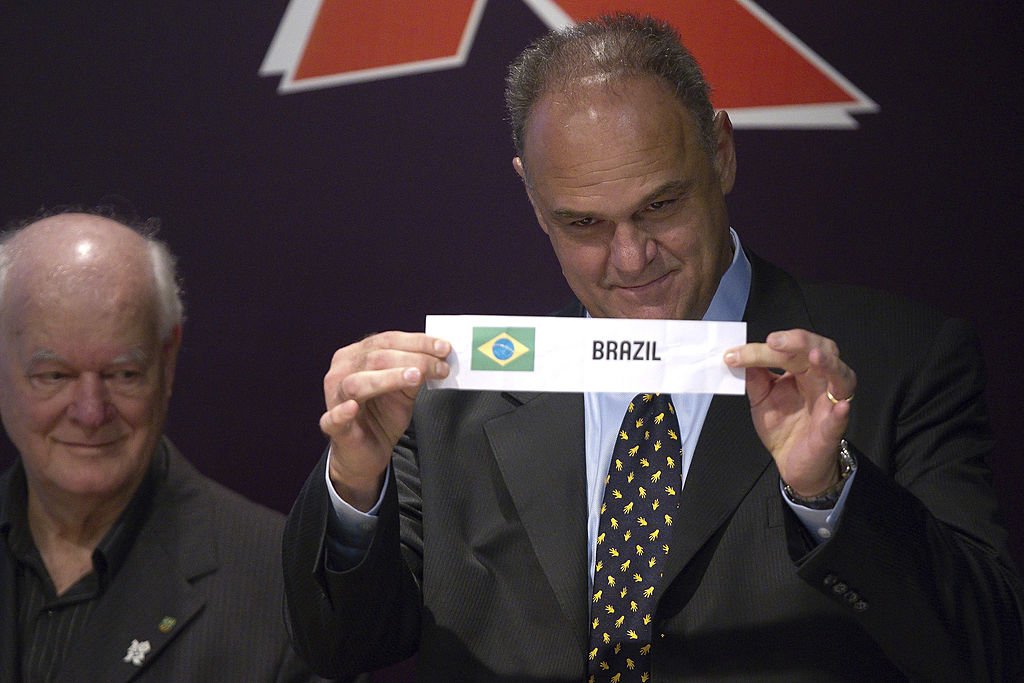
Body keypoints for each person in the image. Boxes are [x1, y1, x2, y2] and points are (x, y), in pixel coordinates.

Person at [281, 14, 1024, 682]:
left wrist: (829, 494)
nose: (631, 258)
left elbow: (989, 651)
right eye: (583, 224)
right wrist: (353, 486)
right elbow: (341, 647)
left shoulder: (902, 364)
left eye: (660, 205)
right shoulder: (447, 402)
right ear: (533, 201)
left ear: (722, 154)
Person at [0, 208, 330, 682]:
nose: (91, 412)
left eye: (122, 374)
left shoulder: (284, 589)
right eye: (54, 376)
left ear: (167, 360)